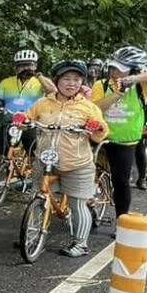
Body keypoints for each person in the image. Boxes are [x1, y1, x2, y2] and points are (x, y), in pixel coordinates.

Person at [17, 60, 108, 257]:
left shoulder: (87, 107)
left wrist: (95, 128)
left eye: (76, 80)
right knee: (37, 195)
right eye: (67, 79)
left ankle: (80, 243)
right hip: (45, 159)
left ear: (81, 83)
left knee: (77, 204)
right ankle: (33, 233)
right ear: (57, 81)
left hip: (76, 163)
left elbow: (101, 131)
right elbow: (27, 118)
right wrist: (22, 121)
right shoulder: (43, 103)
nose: (71, 83)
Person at [91, 47, 147, 220]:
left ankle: (121, 220)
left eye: (120, 68)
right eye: (113, 67)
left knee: (120, 182)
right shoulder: (101, 85)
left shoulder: (143, 86)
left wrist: (134, 79)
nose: (114, 72)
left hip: (125, 142)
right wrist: (118, 93)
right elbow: (96, 108)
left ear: (133, 70)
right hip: (100, 137)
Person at [0, 48, 52, 190]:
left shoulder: (40, 82)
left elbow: (53, 91)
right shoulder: (6, 82)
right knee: (0, 154)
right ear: (15, 67)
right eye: (22, 65)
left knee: (34, 156)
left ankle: (39, 186)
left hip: (31, 124)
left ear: (35, 66)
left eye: (29, 65)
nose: (25, 69)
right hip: (11, 122)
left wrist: (38, 75)